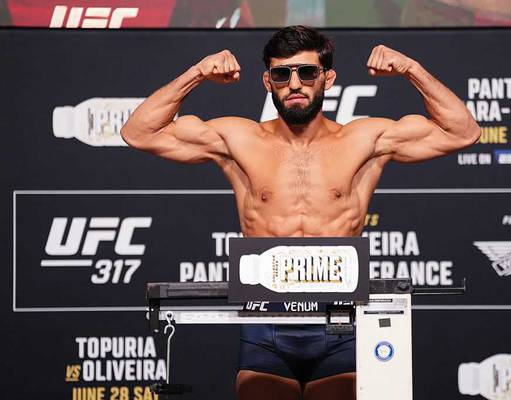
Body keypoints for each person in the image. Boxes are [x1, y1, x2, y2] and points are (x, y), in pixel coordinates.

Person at [121, 25, 480, 400]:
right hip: (266, 321)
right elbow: (139, 133)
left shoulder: (364, 140)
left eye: (307, 72)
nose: (294, 84)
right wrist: (197, 73)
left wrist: (411, 69)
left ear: (328, 78)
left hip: (340, 321)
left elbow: (462, 132)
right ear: (268, 82)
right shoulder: (239, 140)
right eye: (282, 74)